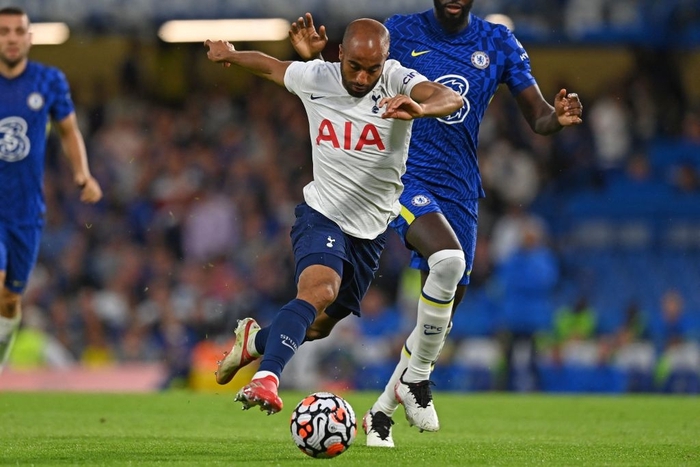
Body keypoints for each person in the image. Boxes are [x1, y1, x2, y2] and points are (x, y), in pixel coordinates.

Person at [287, 2, 583, 447]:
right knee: (446, 259)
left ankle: (383, 412)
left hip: (460, 187)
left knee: (443, 311)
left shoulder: (498, 42)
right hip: (403, 173)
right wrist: (315, 60)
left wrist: (556, 118)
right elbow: (353, 78)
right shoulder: (400, 31)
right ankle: (416, 380)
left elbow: (538, 116)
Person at [205, 18, 463, 414]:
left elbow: (451, 97)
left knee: (320, 324)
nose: (362, 77)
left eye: (372, 69)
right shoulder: (316, 77)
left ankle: (254, 343)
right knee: (318, 291)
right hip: (322, 213)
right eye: (354, 66)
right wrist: (232, 55)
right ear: (339, 54)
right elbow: (270, 65)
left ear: (385, 60)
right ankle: (266, 378)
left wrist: (421, 108)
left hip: (370, 230)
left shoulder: (397, 79)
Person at [0, 7, 103, 373]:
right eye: (4, 31)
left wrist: (83, 174)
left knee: (10, 298)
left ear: (28, 37)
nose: (11, 37)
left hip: (26, 211)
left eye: (18, 31)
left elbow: (68, 130)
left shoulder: (48, 81)